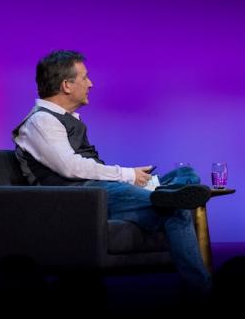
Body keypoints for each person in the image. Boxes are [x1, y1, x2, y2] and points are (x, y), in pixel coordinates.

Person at [12, 50, 213, 291]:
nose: (91, 83)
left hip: (100, 192)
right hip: (82, 199)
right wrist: (127, 175)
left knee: (187, 174)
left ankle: (166, 193)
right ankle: (202, 290)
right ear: (66, 85)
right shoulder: (41, 121)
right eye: (84, 77)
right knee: (177, 209)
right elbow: (70, 167)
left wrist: (132, 178)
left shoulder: (62, 119)